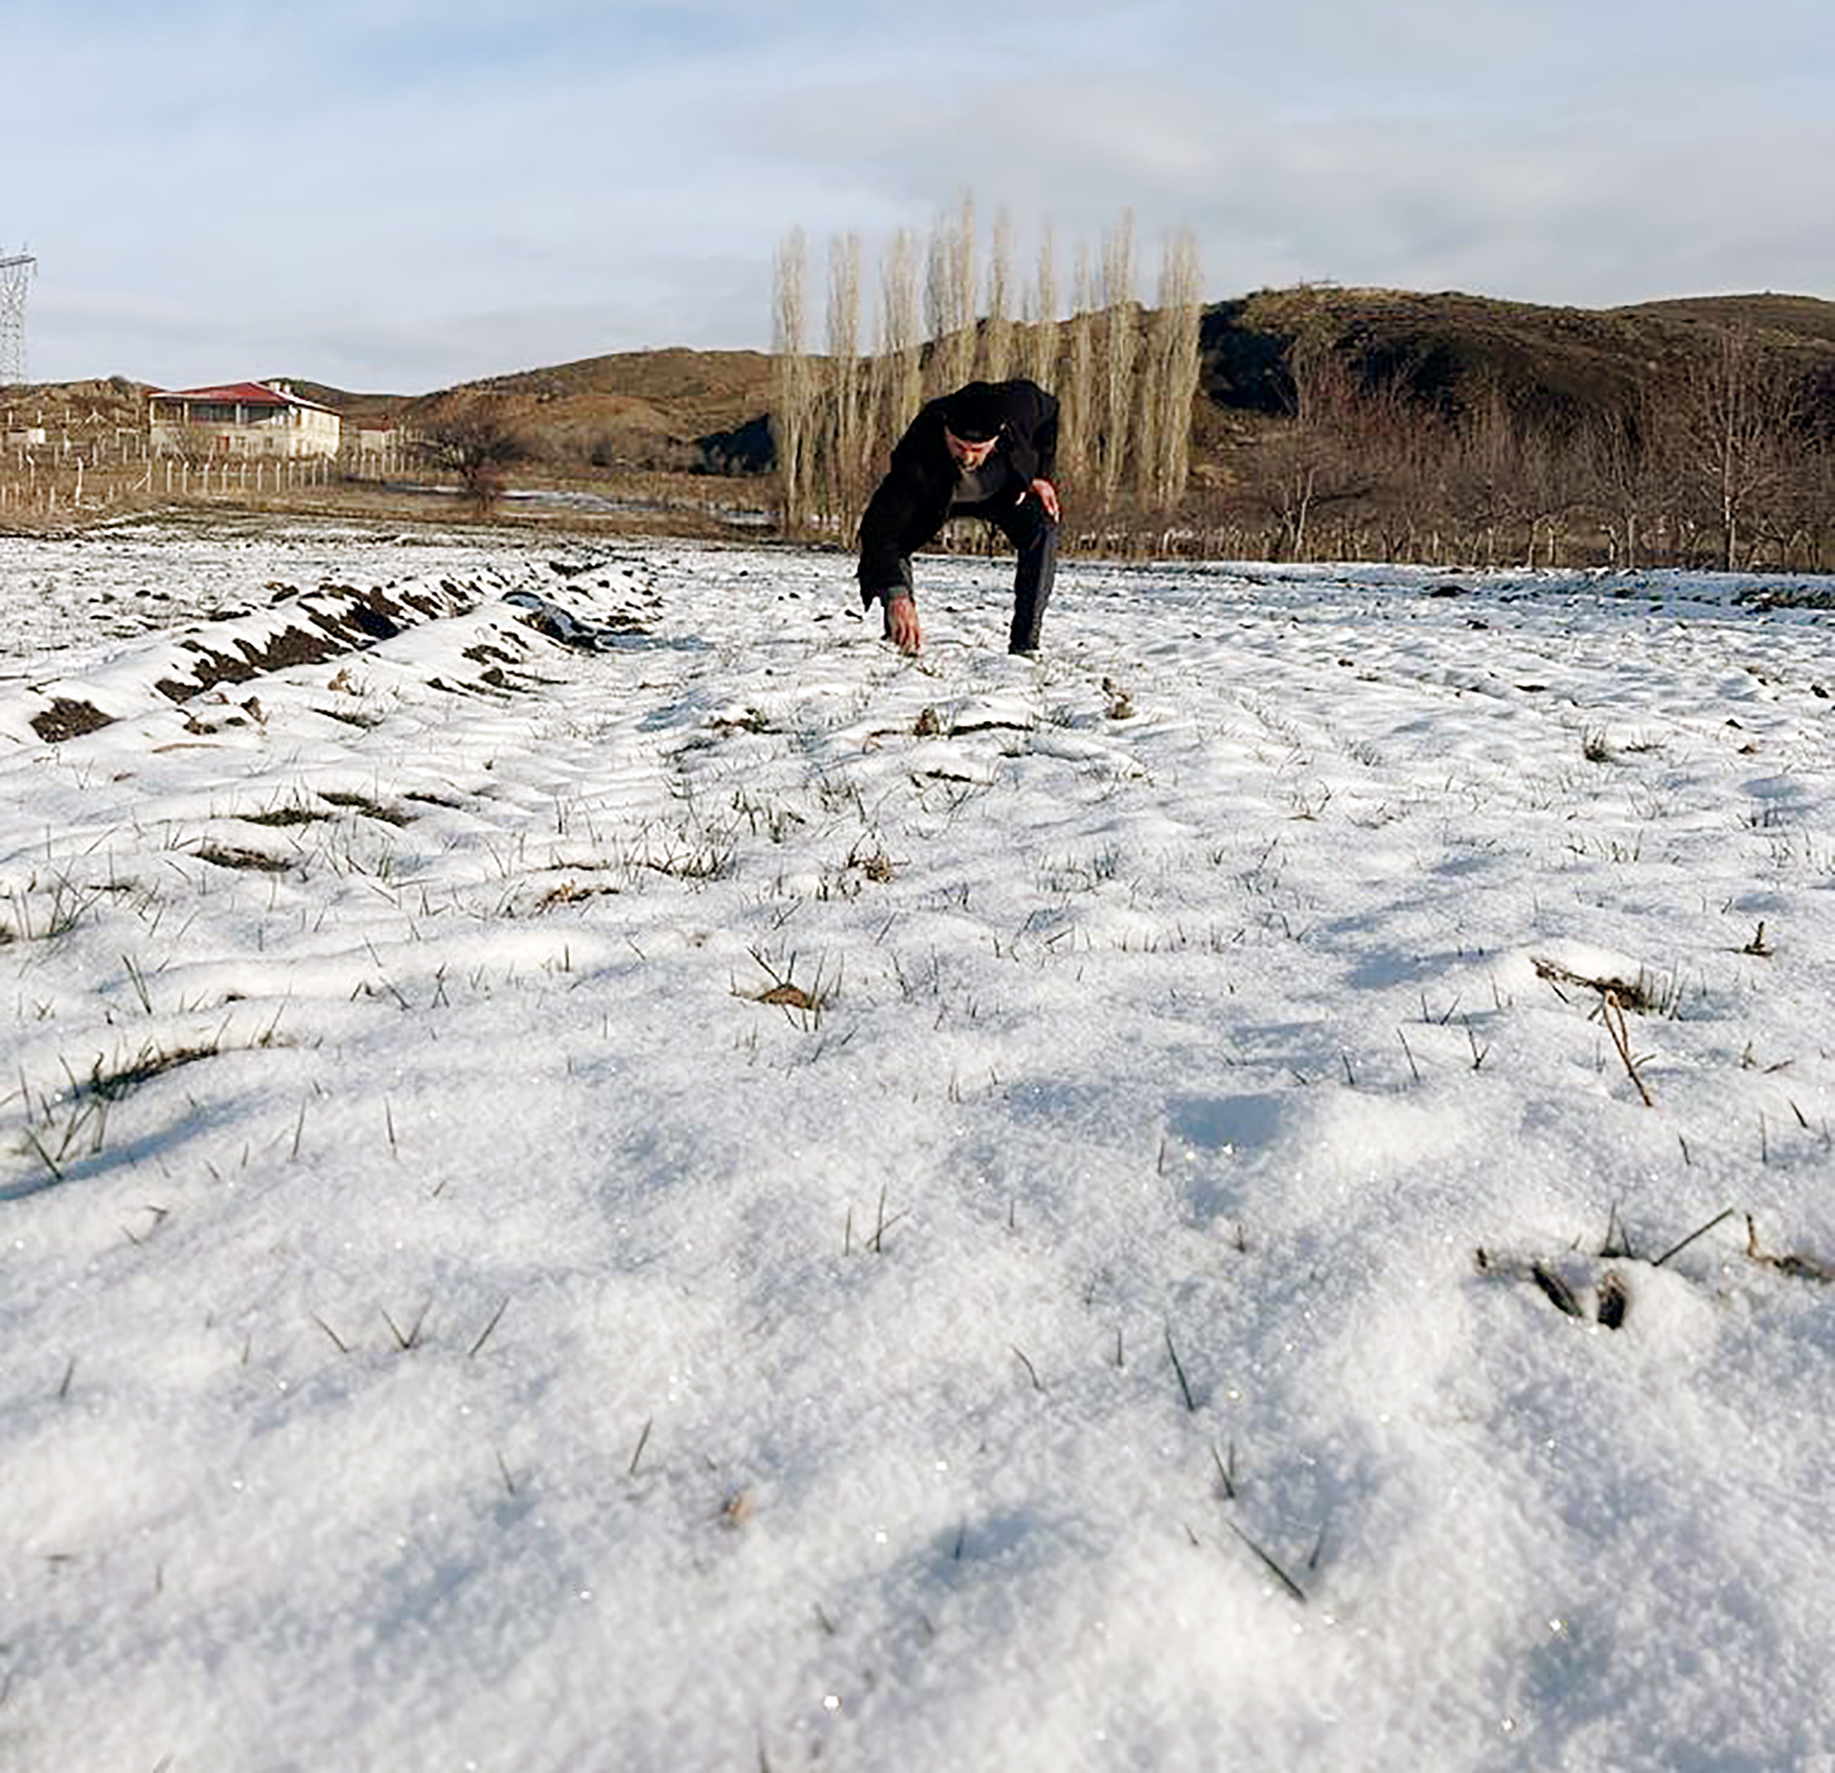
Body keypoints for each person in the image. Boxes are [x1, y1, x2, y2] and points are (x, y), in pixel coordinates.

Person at [856, 378, 1061, 656]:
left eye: (977, 450)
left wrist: (1041, 474)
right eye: (958, 446)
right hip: (939, 497)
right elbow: (879, 528)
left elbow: (1051, 412)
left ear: (1000, 432)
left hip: (1003, 495)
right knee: (897, 539)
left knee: (1043, 527)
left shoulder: (1021, 404)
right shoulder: (919, 447)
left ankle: (1026, 644)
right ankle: (901, 634)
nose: (966, 458)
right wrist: (896, 594)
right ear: (945, 430)